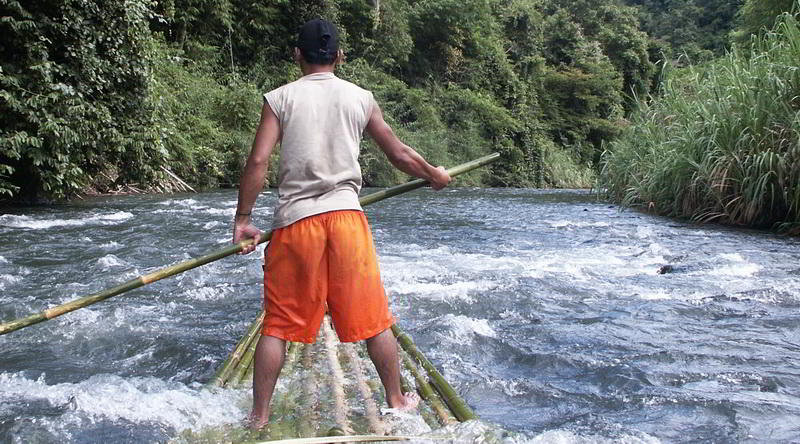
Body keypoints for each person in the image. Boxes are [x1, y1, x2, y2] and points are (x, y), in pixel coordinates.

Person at [232, 18, 451, 429]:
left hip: (296, 224)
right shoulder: (361, 98)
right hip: (348, 221)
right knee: (374, 318)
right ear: (340, 56)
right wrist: (433, 175)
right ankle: (397, 399)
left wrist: (244, 219)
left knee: (278, 324)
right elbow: (400, 154)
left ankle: (259, 417)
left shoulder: (279, 98)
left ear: (297, 55)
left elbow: (258, 161)